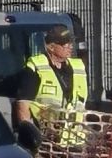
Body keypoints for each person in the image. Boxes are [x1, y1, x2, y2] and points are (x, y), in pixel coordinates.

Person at [13, 24, 86, 152]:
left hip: (75, 144)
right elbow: (23, 106)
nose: (70, 46)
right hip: (47, 144)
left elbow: (82, 106)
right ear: (51, 47)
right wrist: (31, 139)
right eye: (65, 44)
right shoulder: (36, 67)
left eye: (70, 43)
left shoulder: (78, 67)